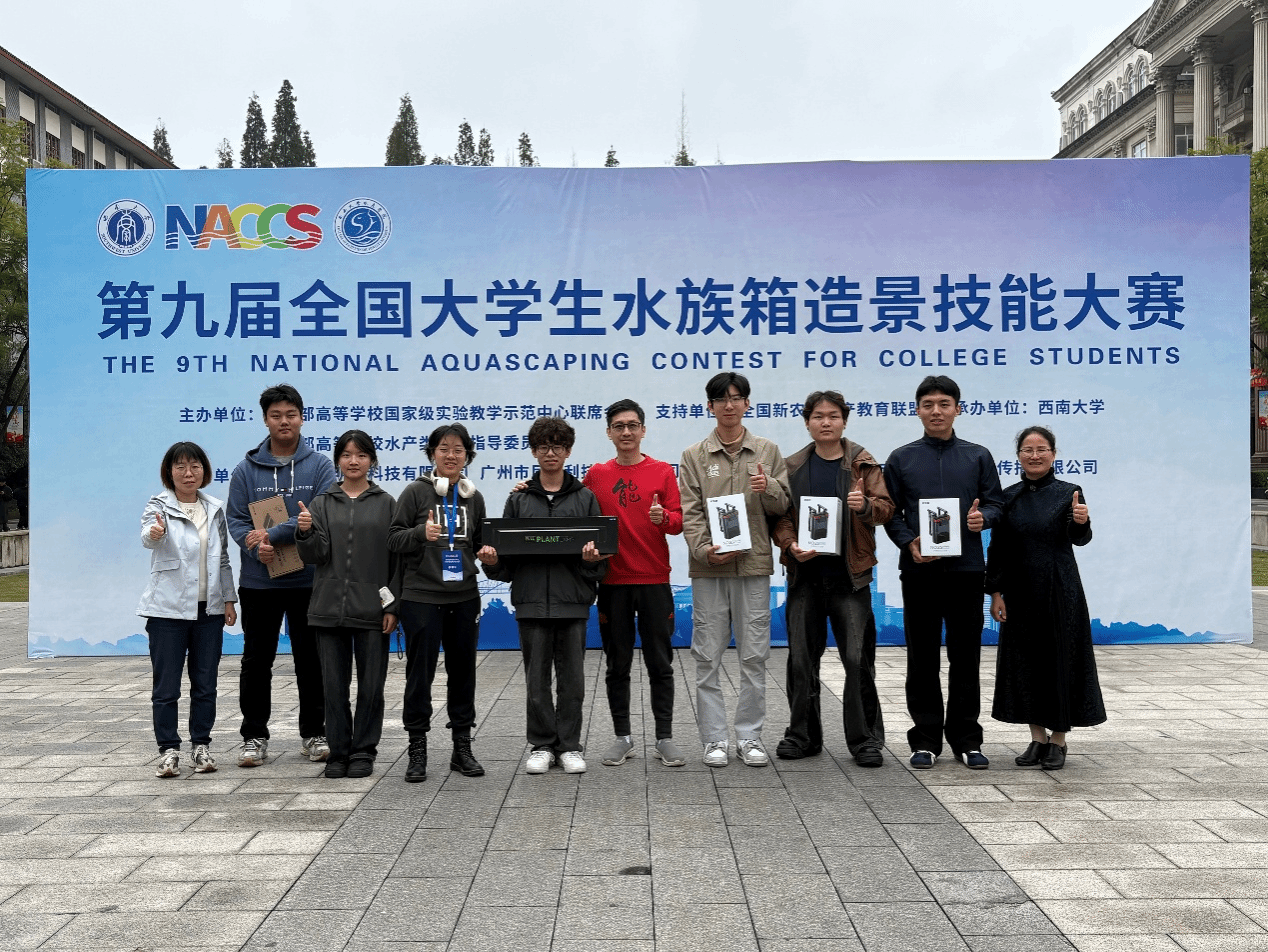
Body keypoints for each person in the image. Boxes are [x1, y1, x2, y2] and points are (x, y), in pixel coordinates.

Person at [883, 375, 1004, 770]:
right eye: (928, 404)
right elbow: (890, 513)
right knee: (922, 657)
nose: (936, 411)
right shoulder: (901, 458)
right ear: (917, 410)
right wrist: (908, 542)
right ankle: (925, 740)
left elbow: (996, 504)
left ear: (958, 409)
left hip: (966, 571)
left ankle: (967, 739)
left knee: (966, 657)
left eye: (944, 404)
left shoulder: (977, 456)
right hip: (920, 571)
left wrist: (983, 519)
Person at [478, 416, 607, 775]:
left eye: (558, 446)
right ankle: (541, 745)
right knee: (536, 681)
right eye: (544, 447)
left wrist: (592, 561)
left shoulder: (585, 498)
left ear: (568, 451)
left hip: (572, 602)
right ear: (534, 452)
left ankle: (569, 746)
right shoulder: (518, 500)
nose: (551, 453)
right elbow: (506, 565)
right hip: (531, 602)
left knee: (572, 682)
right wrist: (492, 562)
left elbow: (600, 560)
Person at [771, 390, 894, 767]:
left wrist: (865, 506)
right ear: (807, 422)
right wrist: (790, 544)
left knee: (857, 660)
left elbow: (887, 509)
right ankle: (802, 736)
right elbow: (781, 517)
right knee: (801, 660)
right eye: (818, 416)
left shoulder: (863, 464)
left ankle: (865, 740)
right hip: (805, 577)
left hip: (849, 579)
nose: (826, 422)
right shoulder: (792, 466)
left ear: (844, 421)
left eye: (833, 416)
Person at [679, 372, 789, 768]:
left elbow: (783, 506)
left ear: (747, 403)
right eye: (721, 399)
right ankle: (714, 739)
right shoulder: (694, 455)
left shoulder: (767, 451)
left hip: (753, 565)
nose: (729, 405)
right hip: (710, 569)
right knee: (707, 657)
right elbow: (690, 511)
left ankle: (749, 736)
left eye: (737, 398)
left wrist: (768, 487)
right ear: (710, 406)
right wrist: (705, 551)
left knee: (754, 656)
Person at [227, 384, 337, 768]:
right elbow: (236, 520)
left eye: (290, 414)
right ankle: (254, 736)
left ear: (302, 418)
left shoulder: (320, 466)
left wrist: (271, 534)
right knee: (257, 661)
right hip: (260, 582)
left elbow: (319, 513)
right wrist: (255, 547)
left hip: (309, 580)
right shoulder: (245, 470)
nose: (284, 421)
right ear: (265, 420)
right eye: (276, 415)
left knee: (312, 660)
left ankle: (314, 733)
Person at [986, 426, 1105, 771]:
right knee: (1025, 664)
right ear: (1018, 456)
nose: (1034, 455)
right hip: (1019, 592)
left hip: (1059, 589)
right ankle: (1037, 738)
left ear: (1053, 454)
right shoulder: (1007, 497)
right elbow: (999, 548)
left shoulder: (1069, 492)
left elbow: (1079, 537)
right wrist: (995, 593)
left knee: (1061, 661)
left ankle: (1059, 740)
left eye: (1041, 449)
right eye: (1027, 450)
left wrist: (1082, 522)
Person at [583, 399, 686, 768]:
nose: (626, 432)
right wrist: (528, 488)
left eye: (632, 425)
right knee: (617, 665)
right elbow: (570, 505)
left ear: (643, 430)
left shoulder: (662, 472)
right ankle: (622, 737)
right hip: (613, 582)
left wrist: (664, 518)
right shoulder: (596, 475)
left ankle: (665, 738)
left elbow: (679, 521)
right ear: (609, 433)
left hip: (655, 579)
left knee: (661, 663)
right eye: (619, 426)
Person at [295, 430, 400, 779]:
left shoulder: (387, 504)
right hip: (328, 609)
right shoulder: (322, 503)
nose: (354, 462)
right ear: (338, 460)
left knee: (371, 687)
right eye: (346, 455)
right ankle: (338, 752)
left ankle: (364, 751)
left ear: (372, 460)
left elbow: (397, 561)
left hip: (372, 610)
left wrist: (392, 606)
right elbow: (315, 555)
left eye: (361, 455)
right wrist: (305, 532)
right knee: (333, 688)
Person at [388, 423, 488, 783]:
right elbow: (393, 539)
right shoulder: (415, 492)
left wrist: (489, 554)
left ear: (467, 456)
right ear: (432, 453)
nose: (451, 455)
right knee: (420, 675)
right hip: (422, 598)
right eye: (443, 449)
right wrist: (420, 533)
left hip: (464, 597)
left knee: (463, 673)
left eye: (458, 450)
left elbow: (480, 543)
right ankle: (417, 748)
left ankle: (462, 748)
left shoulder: (473, 497)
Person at [137, 442, 236, 777]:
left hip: (209, 611)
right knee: (166, 688)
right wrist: (155, 532)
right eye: (180, 466)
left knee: (205, 684)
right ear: (169, 472)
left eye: (195, 466)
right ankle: (168, 750)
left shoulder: (215, 508)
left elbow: (223, 559)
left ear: (204, 471)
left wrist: (229, 599)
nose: (188, 473)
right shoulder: (158, 505)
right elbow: (148, 537)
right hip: (167, 611)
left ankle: (201, 746)